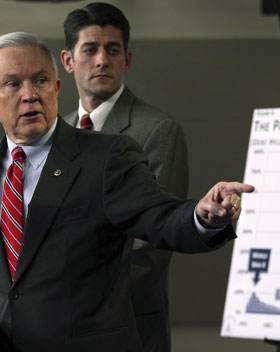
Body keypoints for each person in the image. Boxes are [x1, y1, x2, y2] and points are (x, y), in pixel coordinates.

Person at [0, 32, 252, 351]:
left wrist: (201, 217)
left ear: (57, 86)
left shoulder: (107, 156)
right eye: (12, 84)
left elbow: (157, 215)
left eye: (40, 80)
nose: (29, 94)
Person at [60, 4, 187, 351]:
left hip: (127, 328)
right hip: (58, 328)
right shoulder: (57, 133)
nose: (102, 60)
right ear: (68, 61)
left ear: (127, 60)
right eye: (90, 49)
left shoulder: (158, 130)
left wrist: (79, 301)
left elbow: (156, 245)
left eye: (112, 50)